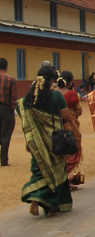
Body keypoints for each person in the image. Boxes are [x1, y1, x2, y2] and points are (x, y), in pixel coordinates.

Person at [16, 65, 72, 216]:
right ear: (53, 80)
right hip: (54, 141)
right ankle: (52, 207)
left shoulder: (27, 100)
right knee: (56, 171)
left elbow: (24, 117)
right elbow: (66, 117)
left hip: (36, 143)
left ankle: (35, 202)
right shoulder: (57, 96)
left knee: (39, 169)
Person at [55, 71, 85, 189]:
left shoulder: (53, 93)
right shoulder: (72, 94)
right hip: (71, 127)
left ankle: (61, 178)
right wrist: (72, 115)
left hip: (56, 126)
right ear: (70, 82)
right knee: (72, 148)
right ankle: (70, 177)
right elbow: (79, 111)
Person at [0, 58, 17, 167]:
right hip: (6, 109)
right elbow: (13, 97)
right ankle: (4, 160)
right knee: (6, 134)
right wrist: (11, 108)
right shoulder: (11, 79)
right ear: (6, 67)